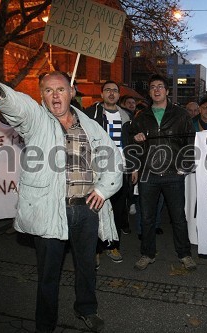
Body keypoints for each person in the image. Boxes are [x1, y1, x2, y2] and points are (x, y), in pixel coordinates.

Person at [0, 42, 122, 332]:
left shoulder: (90, 125)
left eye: (60, 89)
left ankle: (86, 309)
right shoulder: (36, 121)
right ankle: (45, 324)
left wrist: (102, 189)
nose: (54, 95)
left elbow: (113, 159)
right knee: (49, 273)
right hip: (51, 209)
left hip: (86, 209)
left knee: (87, 267)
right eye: (48, 90)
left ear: (72, 92)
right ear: (42, 96)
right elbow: (15, 105)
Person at [128, 74, 197, 271]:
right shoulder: (141, 117)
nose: (156, 89)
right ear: (149, 92)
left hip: (172, 174)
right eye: (152, 87)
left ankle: (184, 254)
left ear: (167, 91)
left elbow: (190, 143)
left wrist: (184, 167)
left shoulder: (180, 115)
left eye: (160, 86)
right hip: (148, 174)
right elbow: (133, 142)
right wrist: (135, 143)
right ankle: (147, 254)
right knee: (147, 217)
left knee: (178, 217)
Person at [84, 80, 133, 265]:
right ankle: (95, 249)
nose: (111, 93)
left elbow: (131, 144)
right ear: (102, 94)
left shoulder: (127, 116)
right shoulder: (91, 114)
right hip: (97, 170)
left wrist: (134, 167)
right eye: (107, 90)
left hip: (120, 171)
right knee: (95, 209)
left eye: (115, 90)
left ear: (119, 95)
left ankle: (113, 246)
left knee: (119, 211)